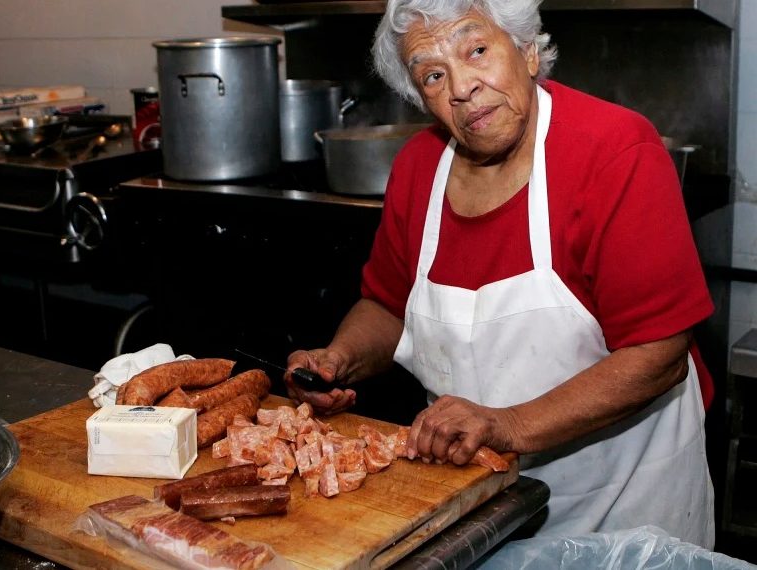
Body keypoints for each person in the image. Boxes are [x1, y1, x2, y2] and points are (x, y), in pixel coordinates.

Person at [284, 0, 716, 548]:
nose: (461, 88)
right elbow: (388, 305)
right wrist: (338, 359)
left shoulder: (615, 151)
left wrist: (504, 425)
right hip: (474, 506)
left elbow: (658, 356)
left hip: (624, 507)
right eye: (434, 75)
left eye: (478, 50)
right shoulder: (419, 169)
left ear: (529, 51)